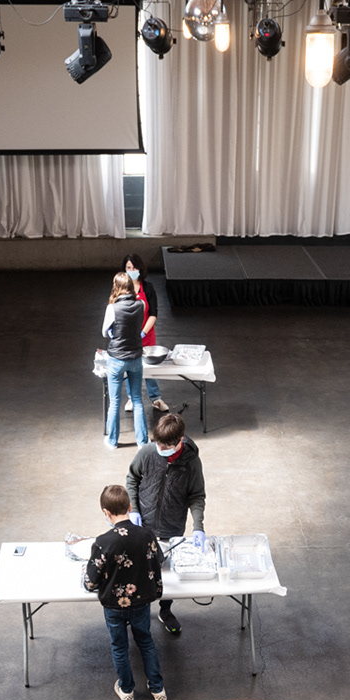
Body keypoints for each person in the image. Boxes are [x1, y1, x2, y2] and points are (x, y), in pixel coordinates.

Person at [83, 484, 166, 700]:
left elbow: (90, 582)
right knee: (145, 642)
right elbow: (160, 559)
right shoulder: (147, 534)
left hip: (114, 606)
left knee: (119, 647)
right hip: (141, 602)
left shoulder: (103, 542)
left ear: (106, 513)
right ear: (130, 506)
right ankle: (158, 689)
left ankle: (127, 690)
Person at [125, 412, 206, 636]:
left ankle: (165, 610)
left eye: (165, 445)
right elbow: (132, 478)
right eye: (158, 443)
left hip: (172, 527)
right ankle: (137, 610)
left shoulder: (191, 463)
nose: (160, 448)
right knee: (139, 568)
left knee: (167, 573)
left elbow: (197, 496)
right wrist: (134, 509)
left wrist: (198, 526)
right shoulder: (148, 452)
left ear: (179, 441)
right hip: (143, 525)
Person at [101, 272, 148, 450]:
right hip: (135, 357)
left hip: (116, 359)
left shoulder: (112, 308)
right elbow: (136, 327)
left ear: (116, 287)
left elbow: (105, 332)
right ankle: (143, 442)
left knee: (114, 401)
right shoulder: (141, 304)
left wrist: (114, 332)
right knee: (137, 399)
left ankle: (112, 441)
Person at [126, 253, 172, 414]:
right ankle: (132, 397)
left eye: (134, 267)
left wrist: (143, 332)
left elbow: (153, 313)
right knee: (130, 368)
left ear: (141, 269)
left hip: (146, 335)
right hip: (128, 338)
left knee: (150, 368)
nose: (132, 270)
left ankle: (156, 398)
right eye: (128, 268)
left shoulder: (149, 288)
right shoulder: (122, 289)